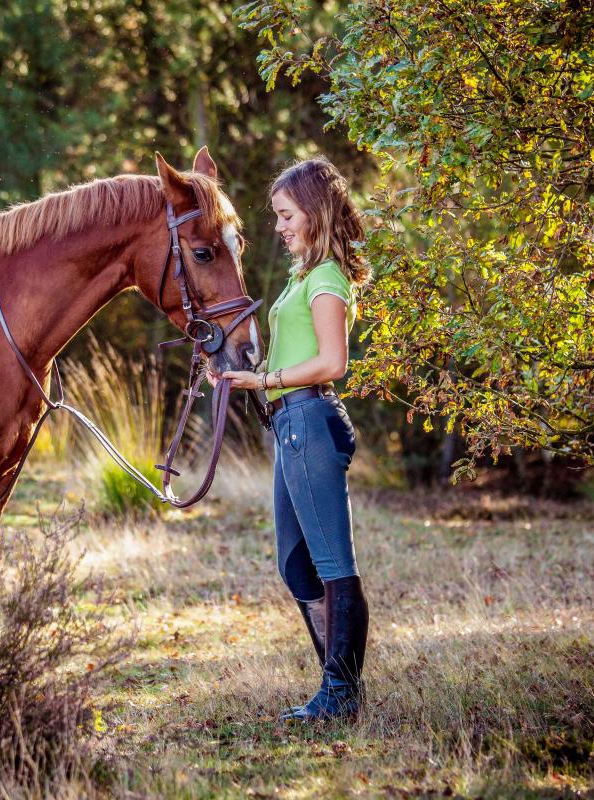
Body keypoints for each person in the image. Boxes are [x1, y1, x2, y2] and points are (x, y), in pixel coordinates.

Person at [210, 156, 371, 722]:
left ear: (314, 213)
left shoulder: (325, 279)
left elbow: (332, 362)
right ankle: (338, 687)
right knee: (296, 566)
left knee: (331, 562)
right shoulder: (302, 277)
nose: (277, 227)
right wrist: (238, 372)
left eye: (285, 216)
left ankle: (341, 695)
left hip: (309, 421)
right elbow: (287, 352)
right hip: (289, 424)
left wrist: (266, 380)